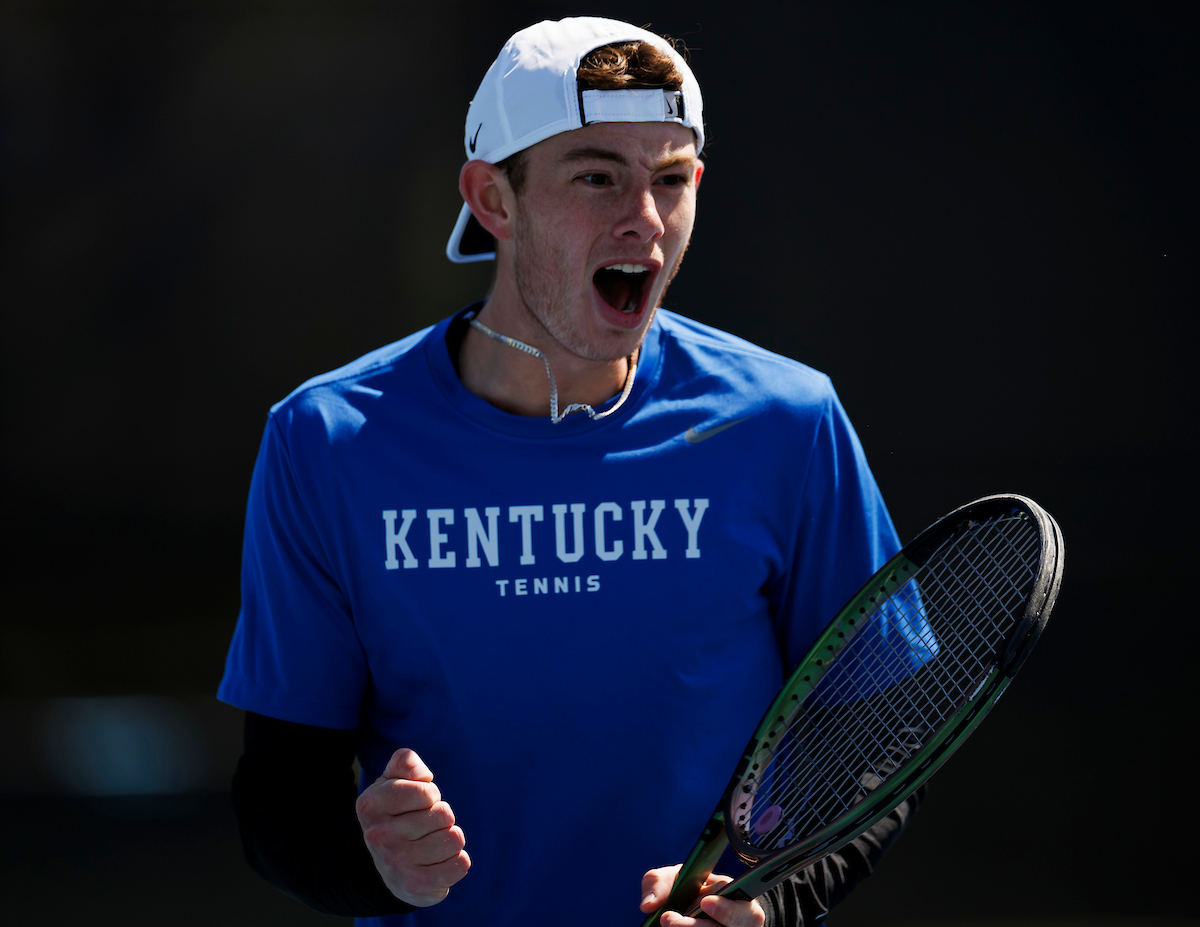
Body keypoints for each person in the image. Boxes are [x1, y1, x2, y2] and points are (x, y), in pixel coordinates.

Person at [218, 16, 922, 927]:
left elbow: (876, 731)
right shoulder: (326, 439)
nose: (643, 217)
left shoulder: (789, 421)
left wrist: (776, 897)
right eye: (596, 175)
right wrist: (374, 863)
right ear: (492, 200)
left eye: (670, 179)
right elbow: (279, 792)